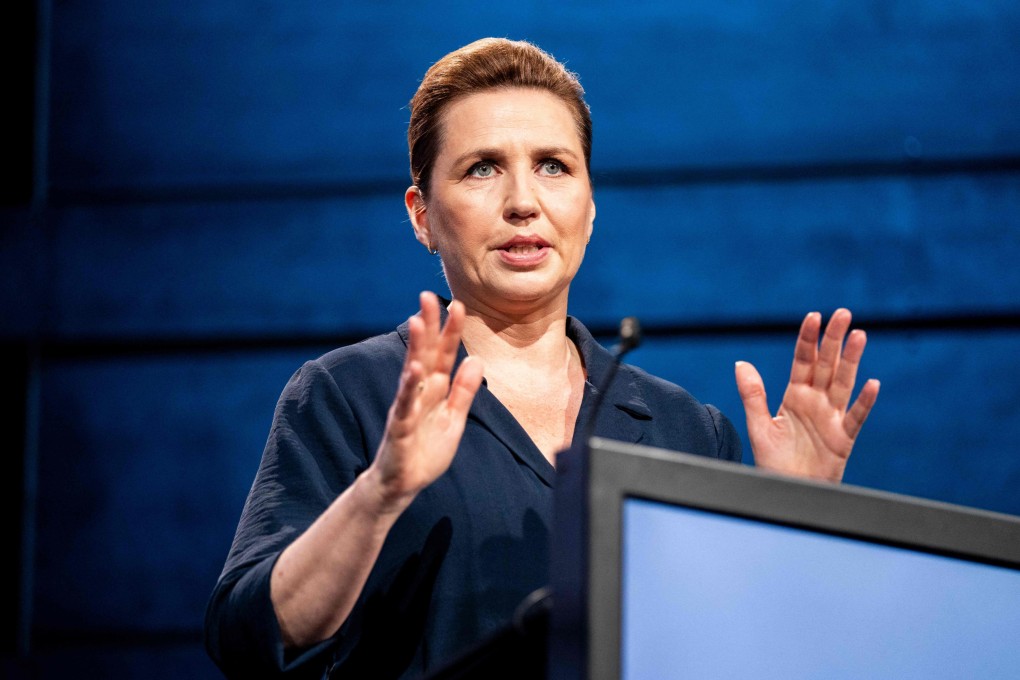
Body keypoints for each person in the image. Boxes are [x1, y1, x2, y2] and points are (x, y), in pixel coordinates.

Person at [204, 37, 879, 679]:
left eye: (553, 166)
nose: (523, 202)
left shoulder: (687, 432)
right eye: (482, 168)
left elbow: (747, 651)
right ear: (422, 214)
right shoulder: (351, 394)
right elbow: (249, 637)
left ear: (590, 206)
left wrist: (798, 524)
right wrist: (380, 494)